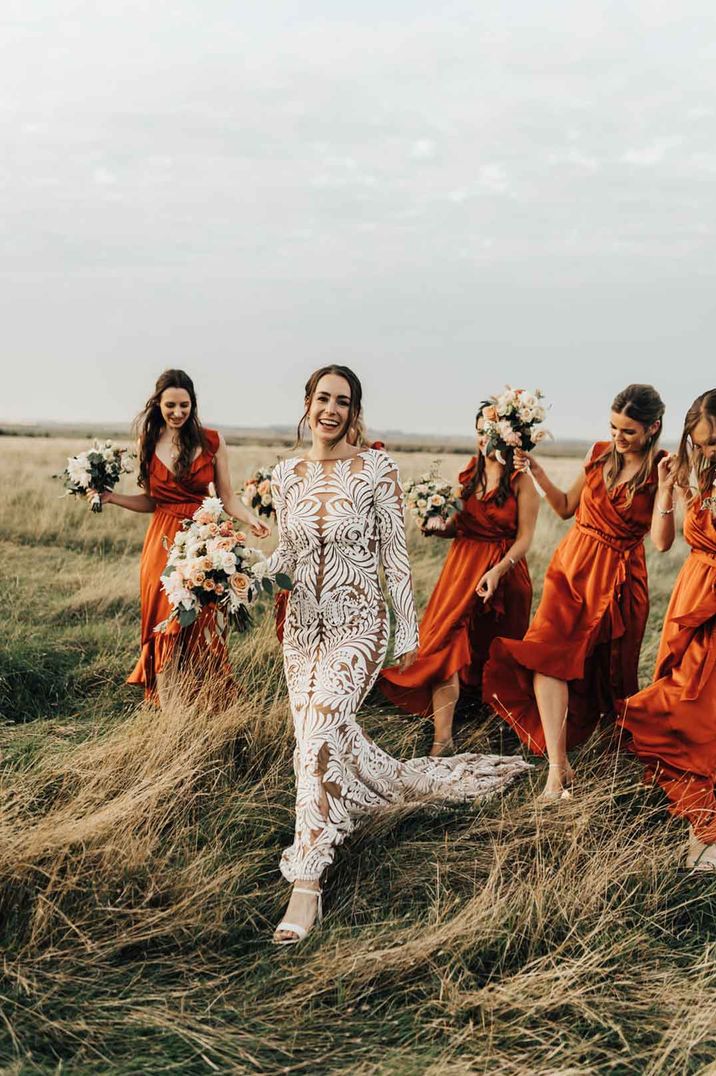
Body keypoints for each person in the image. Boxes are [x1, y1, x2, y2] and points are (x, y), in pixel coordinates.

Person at [261, 364, 530, 945]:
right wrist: (236, 576)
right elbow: (284, 554)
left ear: (353, 410)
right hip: (303, 632)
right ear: (307, 403)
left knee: (325, 725)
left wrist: (405, 628)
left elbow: (395, 556)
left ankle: (305, 881)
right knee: (316, 740)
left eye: (343, 401)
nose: (331, 409)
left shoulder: (376, 468)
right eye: (322, 398)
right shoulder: (285, 475)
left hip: (359, 624)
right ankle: (365, 791)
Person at [484, 384, 670, 799]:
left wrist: (667, 491)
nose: (619, 439)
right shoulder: (599, 452)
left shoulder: (661, 468)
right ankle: (557, 767)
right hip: (571, 567)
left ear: (653, 428)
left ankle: (609, 766)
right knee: (547, 656)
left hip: (619, 578)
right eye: (614, 427)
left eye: (629, 432)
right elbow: (567, 507)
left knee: (608, 676)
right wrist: (536, 469)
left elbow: (660, 542)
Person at [92, 369, 270, 701]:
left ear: (193, 404)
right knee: (166, 625)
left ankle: (203, 701)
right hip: (161, 544)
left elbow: (228, 497)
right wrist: (113, 498)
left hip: (205, 542)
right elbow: (151, 501)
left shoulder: (212, 441)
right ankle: (169, 708)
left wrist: (250, 518)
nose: (177, 413)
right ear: (157, 404)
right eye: (170, 405)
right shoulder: (147, 442)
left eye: (184, 405)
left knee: (201, 622)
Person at [380, 405, 538, 756]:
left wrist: (497, 572)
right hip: (461, 570)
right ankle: (443, 739)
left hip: (504, 574)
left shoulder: (521, 481)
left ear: (508, 437)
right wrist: (437, 527)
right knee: (446, 647)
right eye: (480, 431)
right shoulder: (469, 474)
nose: (485, 439)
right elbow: (458, 526)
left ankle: (501, 730)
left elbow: (525, 539)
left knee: (495, 658)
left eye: (492, 432)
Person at [620, 389, 716, 871]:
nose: (705, 451)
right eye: (698, 443)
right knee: (681, 697)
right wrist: (665, 490)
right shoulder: (695, 471)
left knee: (695, 706)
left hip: (713, 606)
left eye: (712, 443)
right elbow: (660, 544)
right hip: (691, 591)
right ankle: (700, 822)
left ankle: (707, 828)